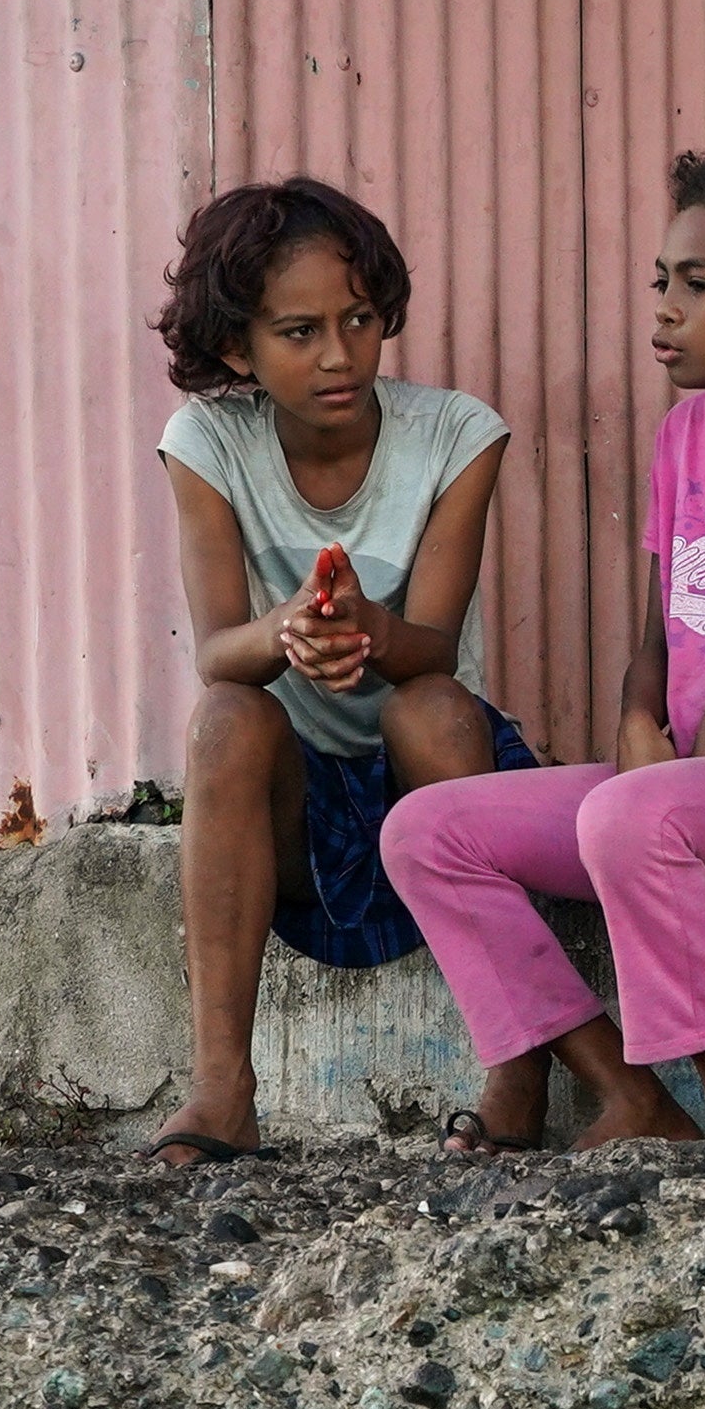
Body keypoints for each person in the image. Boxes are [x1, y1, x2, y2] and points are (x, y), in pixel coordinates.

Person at [376, 154, 705, 1153]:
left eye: (698, 285)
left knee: (631, 811)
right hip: (678, 784)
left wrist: (662, 782)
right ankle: (629, 1093)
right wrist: (633, 726)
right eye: (661, 281)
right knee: (425, 831)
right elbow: (658, 633)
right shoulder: (685, 431)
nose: (664, 308)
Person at [148, 178, 529, 1167]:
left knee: (434, 711)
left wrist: (365, 630)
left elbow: (434, 643)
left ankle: (518, 1073)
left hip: (430, 779)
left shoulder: (454, 435)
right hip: (296, 810)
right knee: (227, 719)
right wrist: (286, 632)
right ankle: (223, 1092)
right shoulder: (207, 442)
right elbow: (217, 650)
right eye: (298, 331)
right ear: (238, 348)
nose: (337, 355)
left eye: (358, 320)